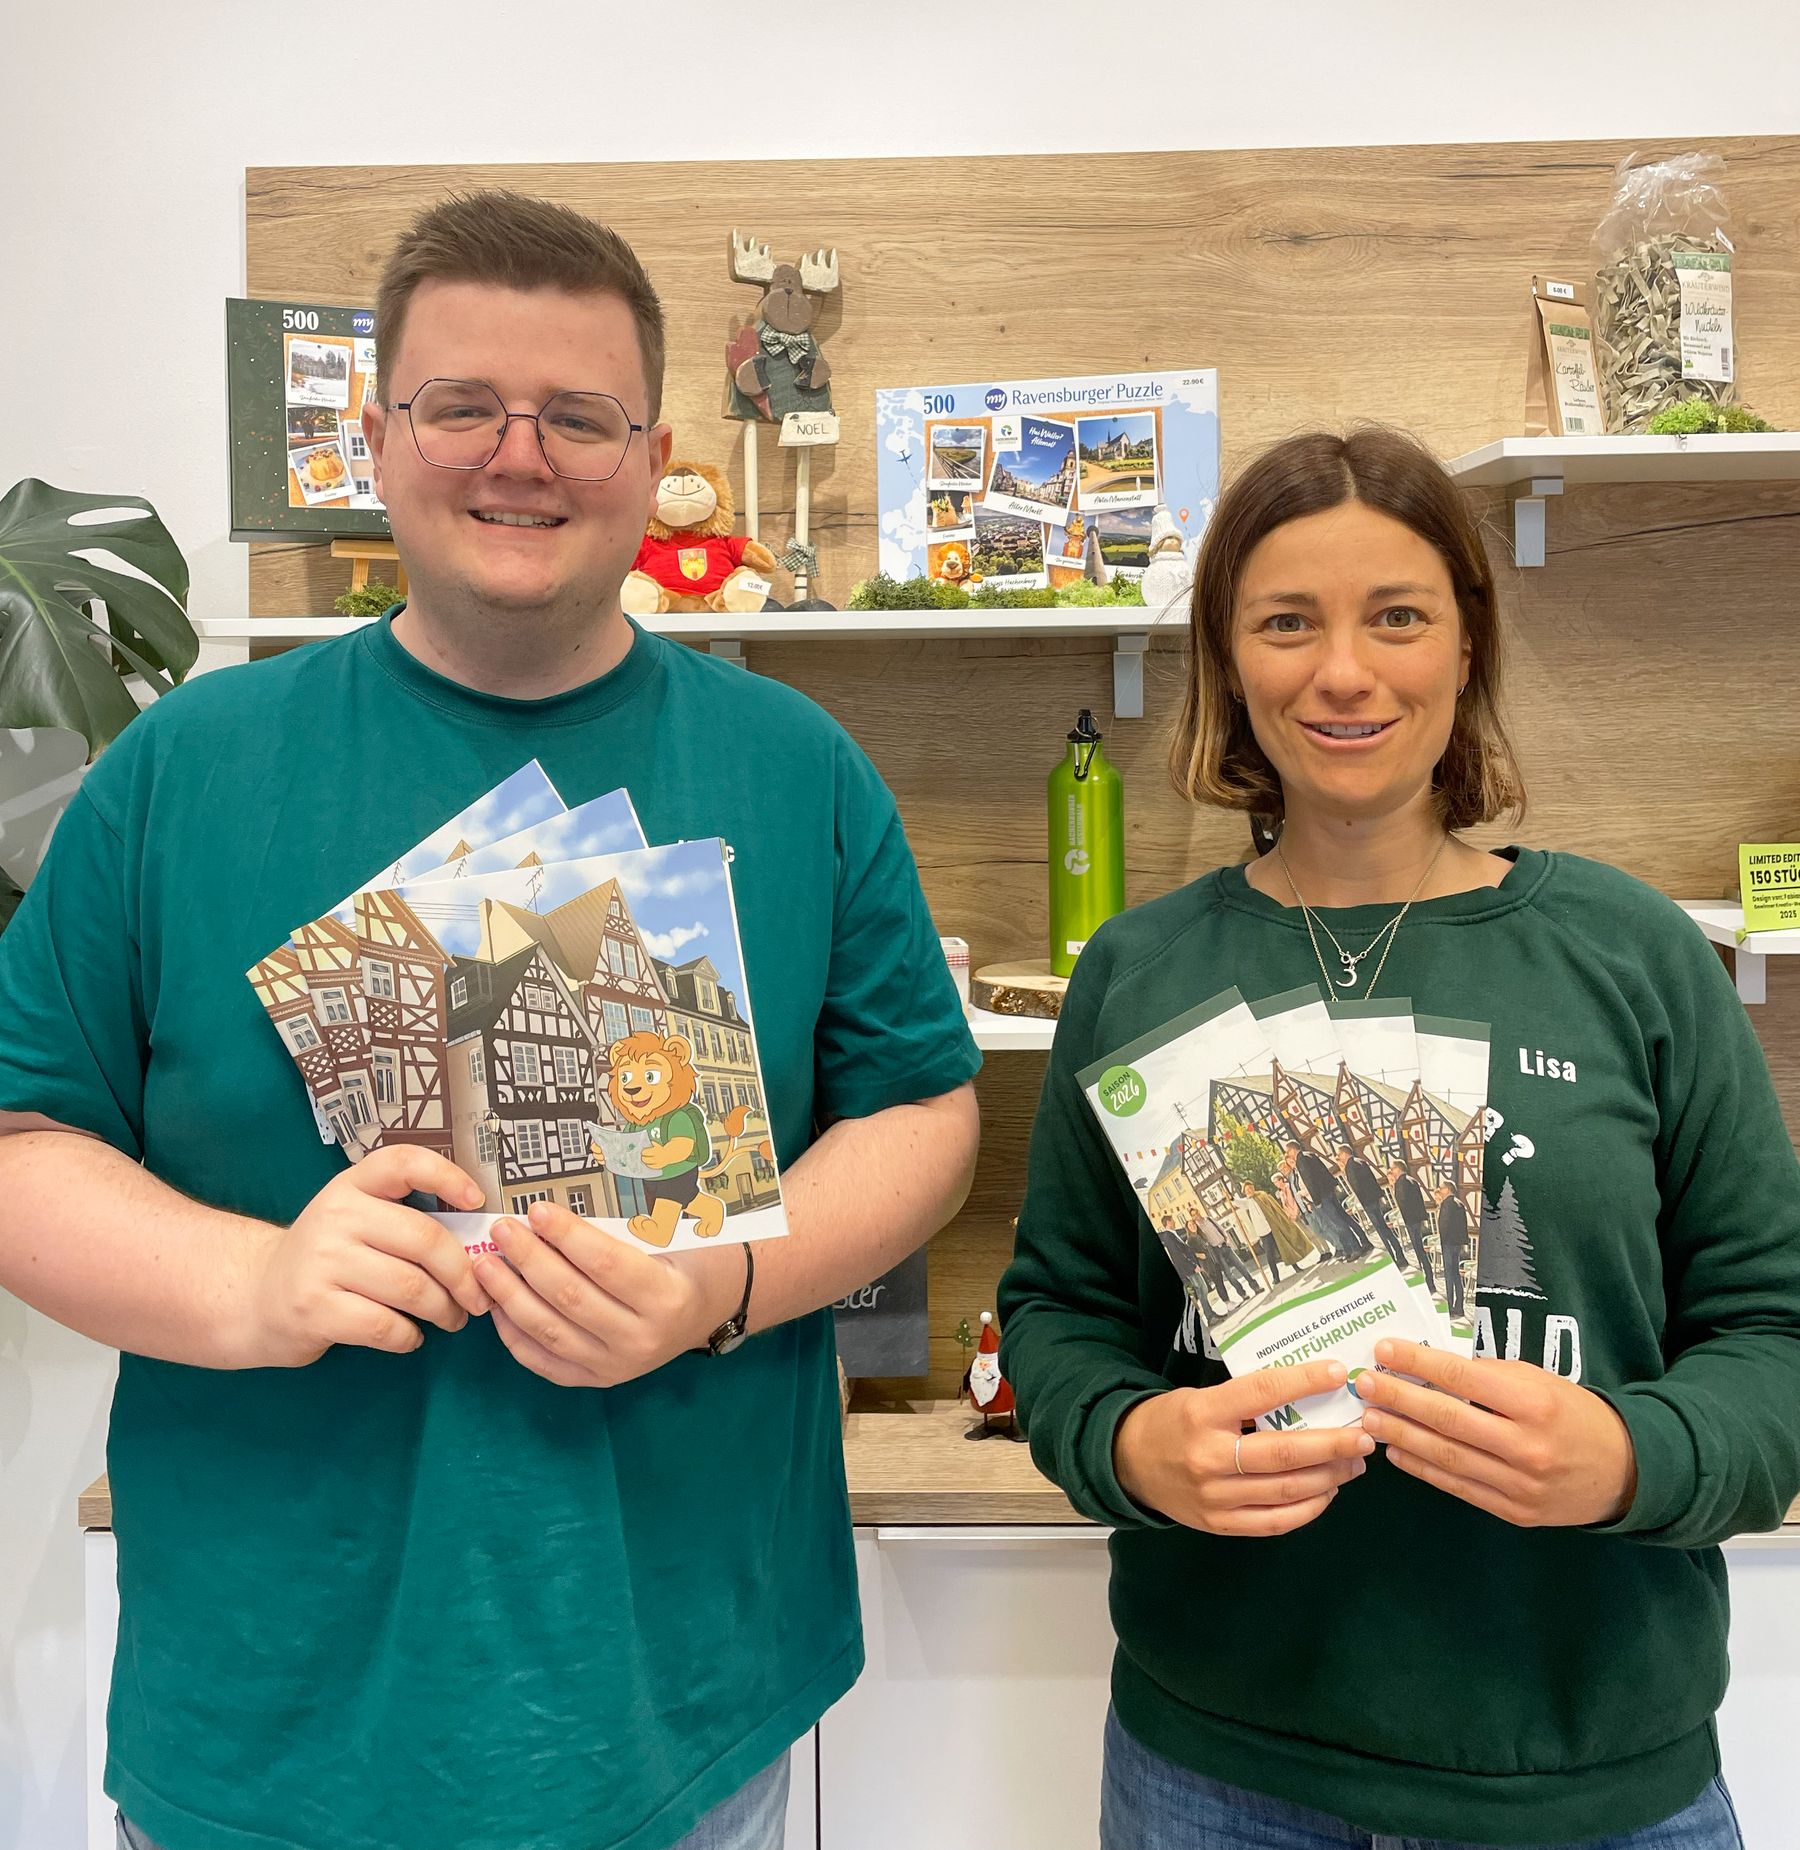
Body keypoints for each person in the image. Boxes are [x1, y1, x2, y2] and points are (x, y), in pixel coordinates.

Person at [0, 191, 982, 1850]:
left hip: (686, 1698)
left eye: (577, 417)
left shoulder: (796, 766)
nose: (516, 456)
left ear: (654, 454)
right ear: (380, 436)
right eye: (462, 405)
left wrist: (719, 1286)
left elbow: (920, 1115)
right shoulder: (185, 768)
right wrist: (255, 1282)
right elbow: (26, 1142)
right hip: (273, 1719)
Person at [999, 426, 1800, 1848]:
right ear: (1229, 658)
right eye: (1287, 622)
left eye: (1399, 616)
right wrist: (1131, 1445)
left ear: (1470, 644)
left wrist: (1632, 1456)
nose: (1344, 672)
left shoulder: (1629, 953)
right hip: (1212, 1762)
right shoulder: (1137, 970)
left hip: (1586, 1770)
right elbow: (1058, 1310)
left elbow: (1775, 1334)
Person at [1387, 1159, 1437, 1293]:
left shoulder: (1401, 1183)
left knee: (1419, 1251)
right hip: (1417, 1219)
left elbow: (1402, 1202)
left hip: (1411, 1221)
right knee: (1420, 1251)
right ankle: (1429, 1282)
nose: (1391, 1171)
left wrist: (1393, 1186)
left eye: (1392, 1169)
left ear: (1398, 1168)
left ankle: (1428, 1282)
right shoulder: (1412, 1180)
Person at [1435, 1181, 1472, 1322]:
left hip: (1448, 1243)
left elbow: (1444, 1225)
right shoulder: (1459, 1203)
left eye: (1441, 1188)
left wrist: (1443, 1241)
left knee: (1449, 1275)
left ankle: (1449, 1308)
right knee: (1456, 1275)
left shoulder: (1447, 1204)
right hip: (1456, 1244)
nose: (1440, 1190)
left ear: (1448, 1189)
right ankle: (1459, 1307)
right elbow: (1463, 1225)